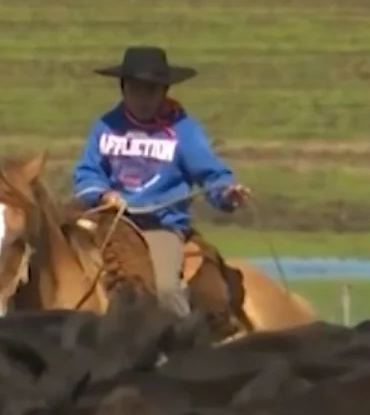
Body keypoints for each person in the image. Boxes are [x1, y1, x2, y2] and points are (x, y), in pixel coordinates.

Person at [71, 46, 250, 317]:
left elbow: (211, 174)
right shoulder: (106, 125)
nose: (143, 98)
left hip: (157, 226)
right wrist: (103, 194)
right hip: (109, 221)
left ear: (164, 92)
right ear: (123, 88)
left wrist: (227, 193)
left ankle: (176, 348)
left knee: (166, 290)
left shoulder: (182, 130)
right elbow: (87, 172)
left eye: (151, 90)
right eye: (136, 89)